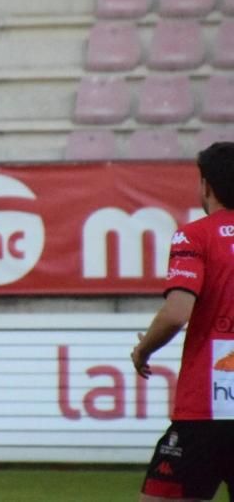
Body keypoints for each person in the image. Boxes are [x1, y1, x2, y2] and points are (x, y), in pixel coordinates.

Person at [131, 141, 234, 502]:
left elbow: (177, 313)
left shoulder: (195, 235)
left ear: (205, 185)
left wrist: (142, 350)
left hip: (208, 408)